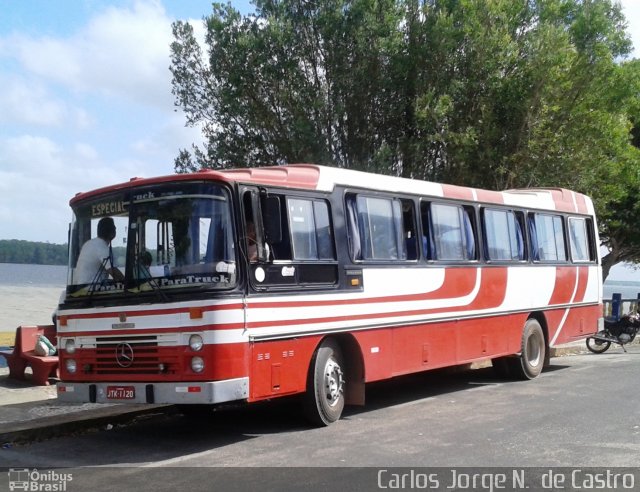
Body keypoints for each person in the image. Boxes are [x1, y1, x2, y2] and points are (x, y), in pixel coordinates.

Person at [73, 217, 125, 285]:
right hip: (90, 288)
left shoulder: (88, 244)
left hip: (79, 288)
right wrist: (127, 282)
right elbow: (113, 271)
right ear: (112, 232)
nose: (115, 229)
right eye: (114, 228)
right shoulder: (102, 247)